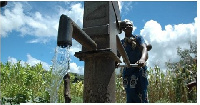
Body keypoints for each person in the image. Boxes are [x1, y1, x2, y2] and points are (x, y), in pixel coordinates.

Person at [119, 20, 149, 103]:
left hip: (138, 68)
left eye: (131, 25)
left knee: (141, 92)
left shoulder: (138, 38)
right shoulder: (121, 43)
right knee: (129, 92)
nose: (129, 26)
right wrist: (115, 62)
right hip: (128, 70)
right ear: (123, 29)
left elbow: (144, 48)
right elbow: (118, 54)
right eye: (127, 25)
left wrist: (142, 59)